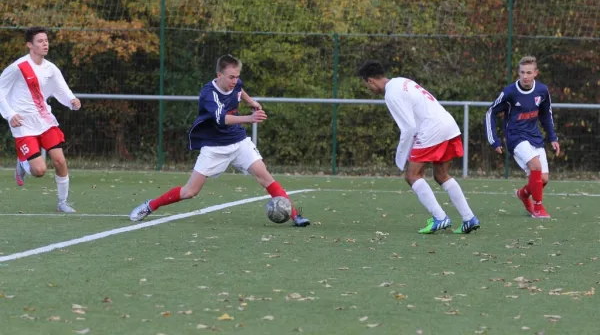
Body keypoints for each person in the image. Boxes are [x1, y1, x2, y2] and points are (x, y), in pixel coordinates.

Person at [129, 55, 311, 227]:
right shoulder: (209, 94)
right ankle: (151, 205)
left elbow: (240, 89)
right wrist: (249, 118)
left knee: (265, 177)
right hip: (214, 147)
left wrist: (251, 101)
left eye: (237, 77)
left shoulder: (235, 83)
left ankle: (296, 216)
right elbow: (222, 119)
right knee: (190, 192)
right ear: (219, 75)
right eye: (231, 77)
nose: (235, 81)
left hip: (239, 142)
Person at [356, 61, 480, 234]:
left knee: (412, 175)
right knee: (441, 175)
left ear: (370, 81)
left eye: (366, 84)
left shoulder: (391, 94)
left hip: (432, 129)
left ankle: (440, 217)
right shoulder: (401, 81)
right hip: (448, 124)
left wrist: (400, 157)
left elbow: (408, 128)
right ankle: (469, 218)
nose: (368, 89)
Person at [0, 26, 81, 213]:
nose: (45, 44)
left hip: (45, 120)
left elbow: (61, 88)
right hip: (23, 124)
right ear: (30, 45)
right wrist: (10, 114)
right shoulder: (18, 67)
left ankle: (62, 202)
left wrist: (71, 101)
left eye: (46, 40)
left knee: (60, 161)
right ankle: (23, 163)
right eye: (40, 41)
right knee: (39, 171)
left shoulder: (51, 68)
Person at [485, 55, 559, 219]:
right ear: (518, 73)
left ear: (535, 73)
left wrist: (553, 138)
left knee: (543, 179)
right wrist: (494, 139)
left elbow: (546, 115)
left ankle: (523, 194)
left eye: (529, 72)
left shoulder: (542, 91)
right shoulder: (509, 92)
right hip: (515, 136)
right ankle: (538, 209)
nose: (525, 76)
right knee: (536, 166)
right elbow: (490, 112)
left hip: (534, 136)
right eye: (522, 72)